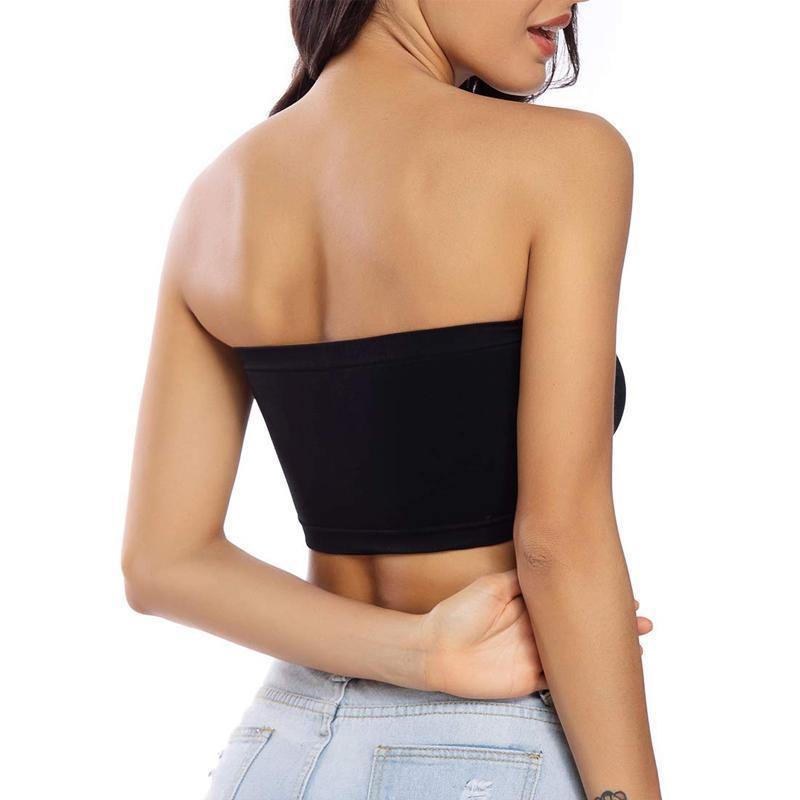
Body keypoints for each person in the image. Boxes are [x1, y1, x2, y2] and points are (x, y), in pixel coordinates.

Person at [121, 1, 661, 797]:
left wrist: (420, 652)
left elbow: (164, 563)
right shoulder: (566, 159)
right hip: (483, 754)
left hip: (275, 754)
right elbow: (558, 543)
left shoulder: (218, 196)